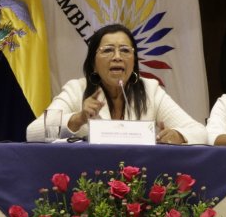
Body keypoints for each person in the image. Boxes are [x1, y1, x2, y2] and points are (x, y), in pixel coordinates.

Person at [26, 23, 207, 145]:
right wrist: (78, 119)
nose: (118, 57)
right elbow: (32, 132)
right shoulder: (76, 90)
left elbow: (201, 132)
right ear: (93, 63)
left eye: (125, 50)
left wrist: (178, 135)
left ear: (134, 61)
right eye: (108, 50)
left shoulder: (150, 90)